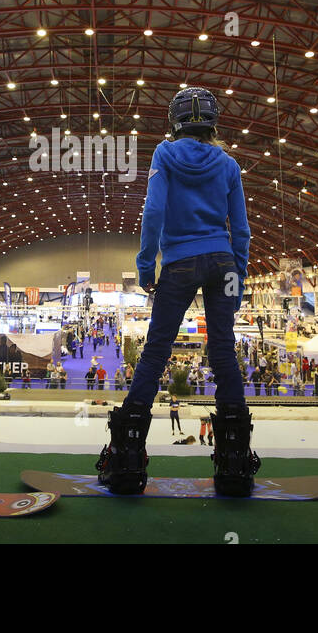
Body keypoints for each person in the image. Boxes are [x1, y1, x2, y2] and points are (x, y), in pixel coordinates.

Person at [97, 88, 258, 497]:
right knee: (223, 349)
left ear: (175, 122)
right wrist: (236, 274)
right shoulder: (229, 164)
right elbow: (240, 228)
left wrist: (146, 263)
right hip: (222, 260)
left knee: (156, 349)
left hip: (180, 262)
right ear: (213, 124)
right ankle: (235, 464)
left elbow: (153, 210)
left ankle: (128, 458)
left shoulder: (165, 155)